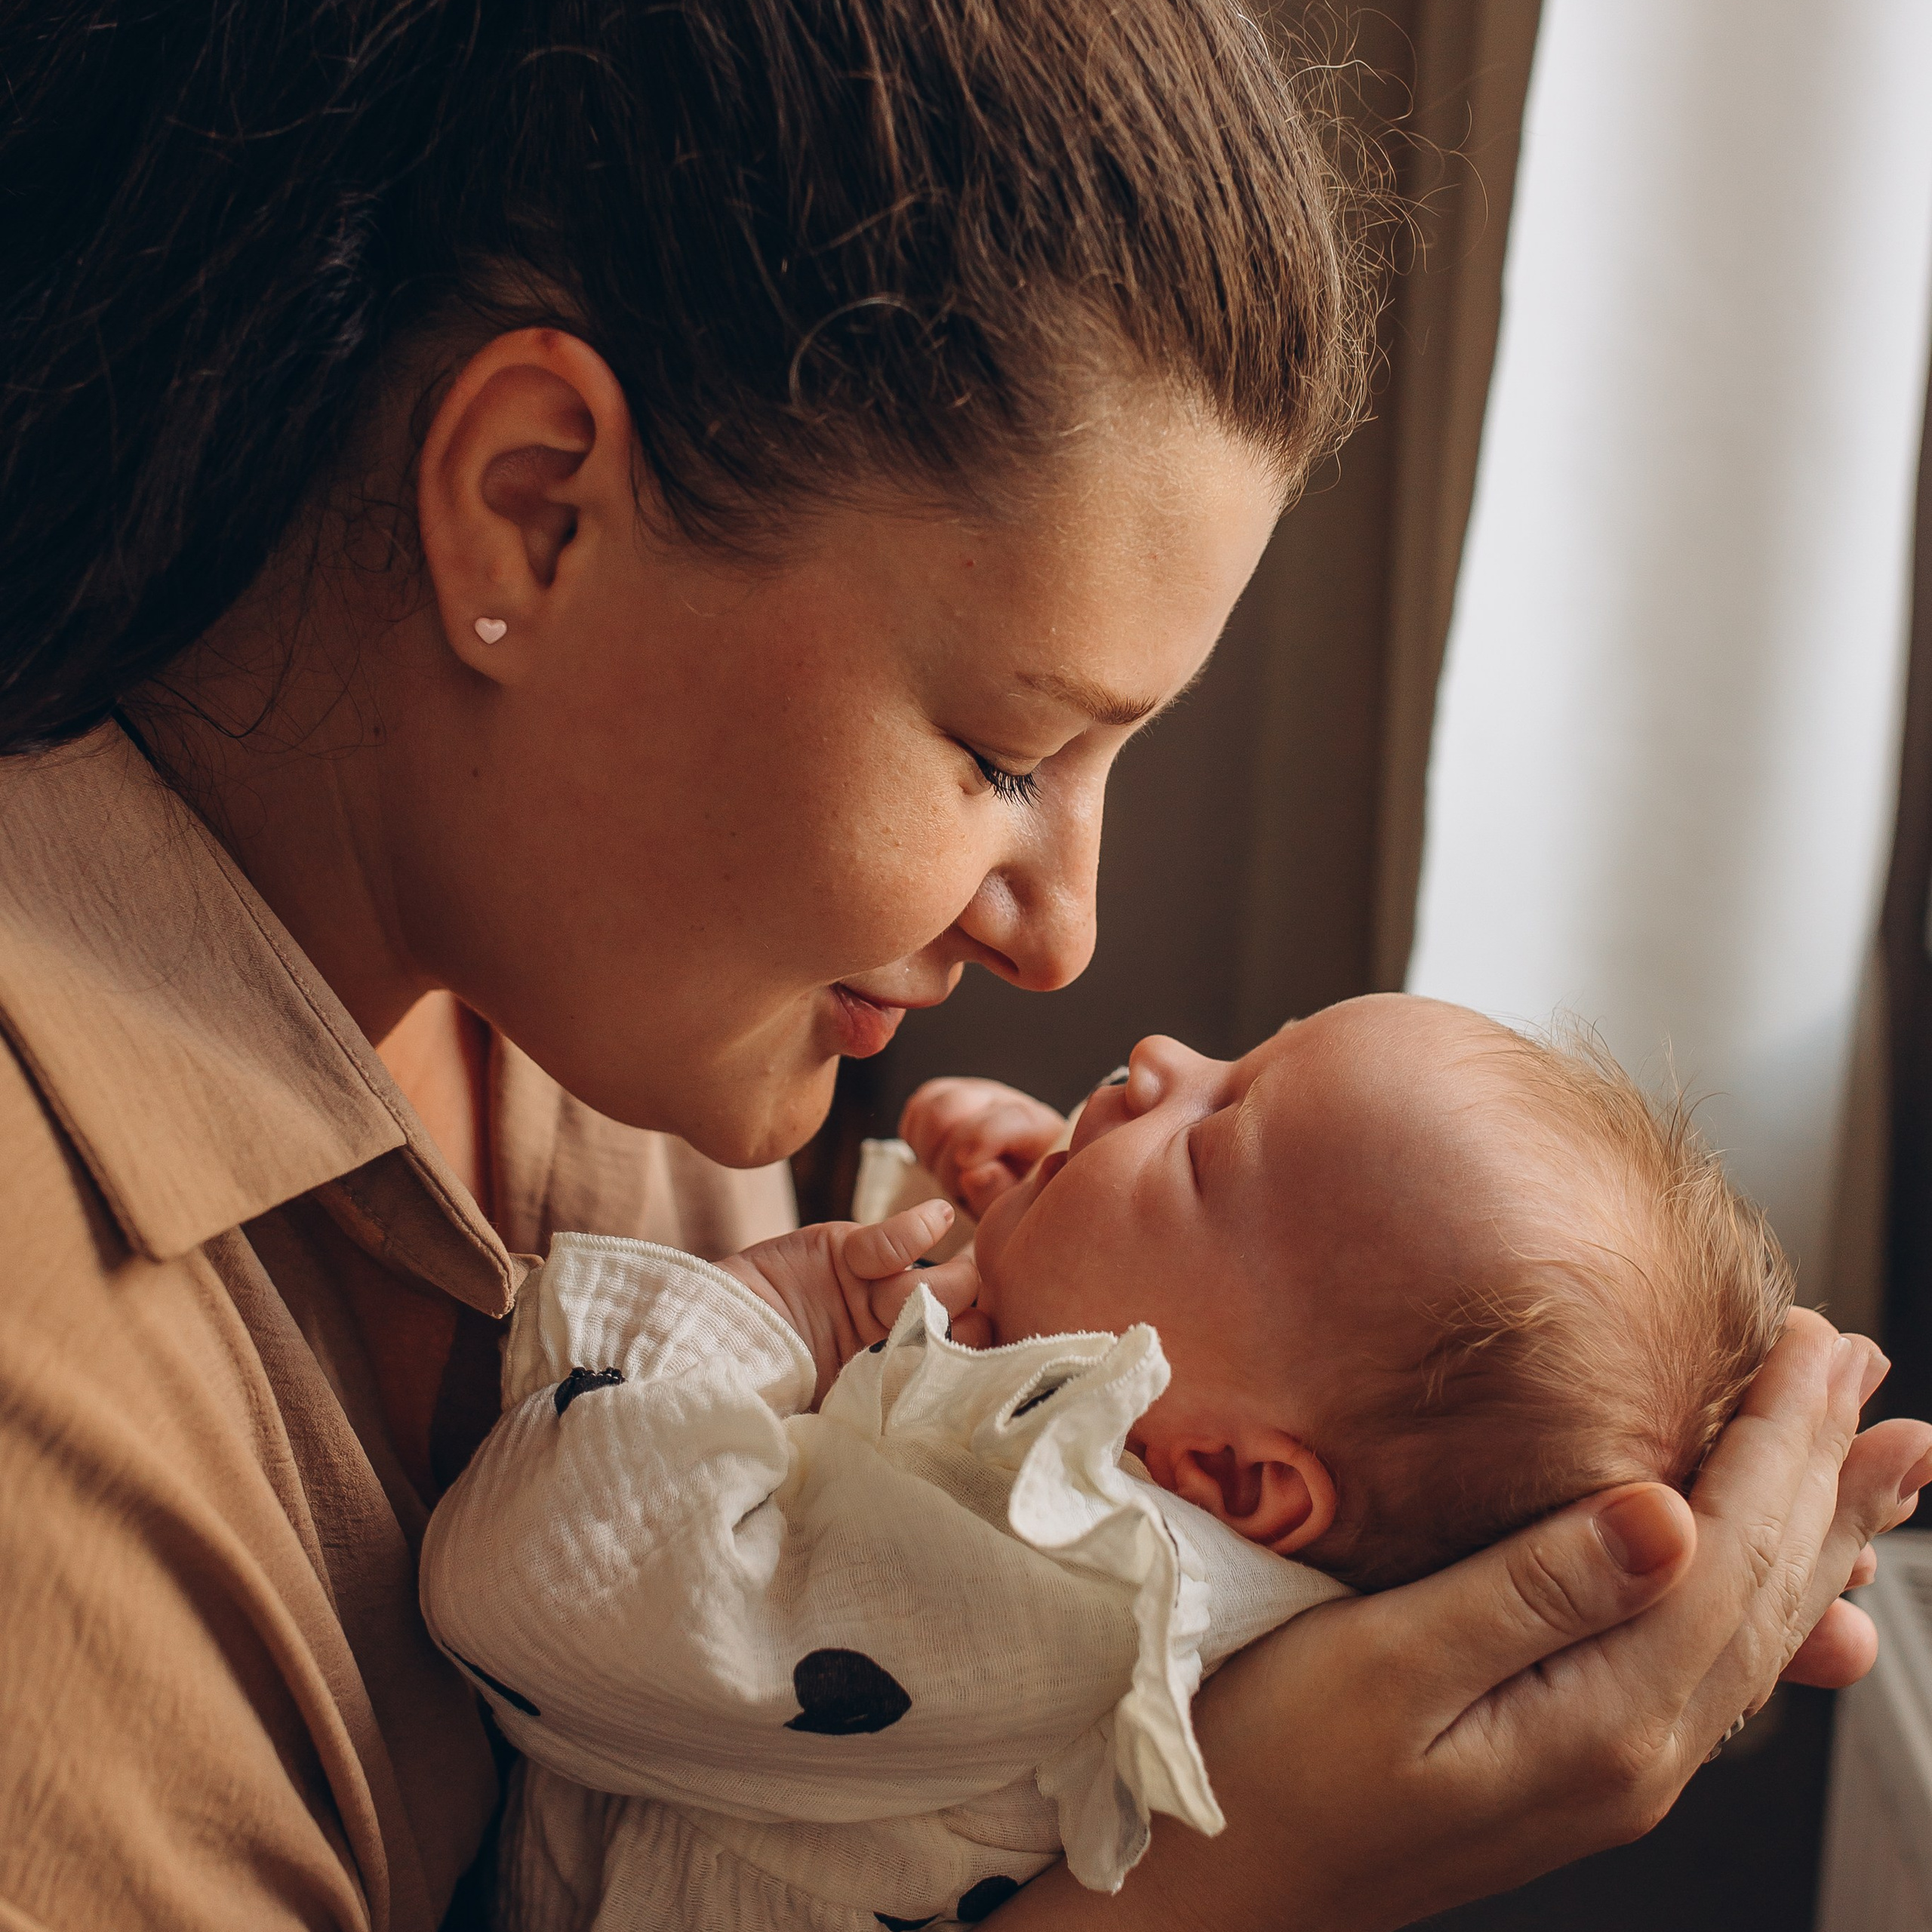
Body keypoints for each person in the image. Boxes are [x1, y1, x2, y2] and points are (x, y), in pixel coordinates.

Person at [0, 4, 1923, 1930]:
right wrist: (1224, 1879)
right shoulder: (51, 1403)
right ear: (536, 505)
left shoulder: (617, 998)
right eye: (1005, 753)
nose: (1063, 931)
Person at [414, 995, 1802, 1929]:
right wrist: (1000, 1235)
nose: (1155, 1060)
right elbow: (866, 1480)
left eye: (1206, 1142)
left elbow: (547, 1578)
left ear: (1233, 1483)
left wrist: (765, 1313)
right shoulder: (1166, 1545)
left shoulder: (1063, 1599)